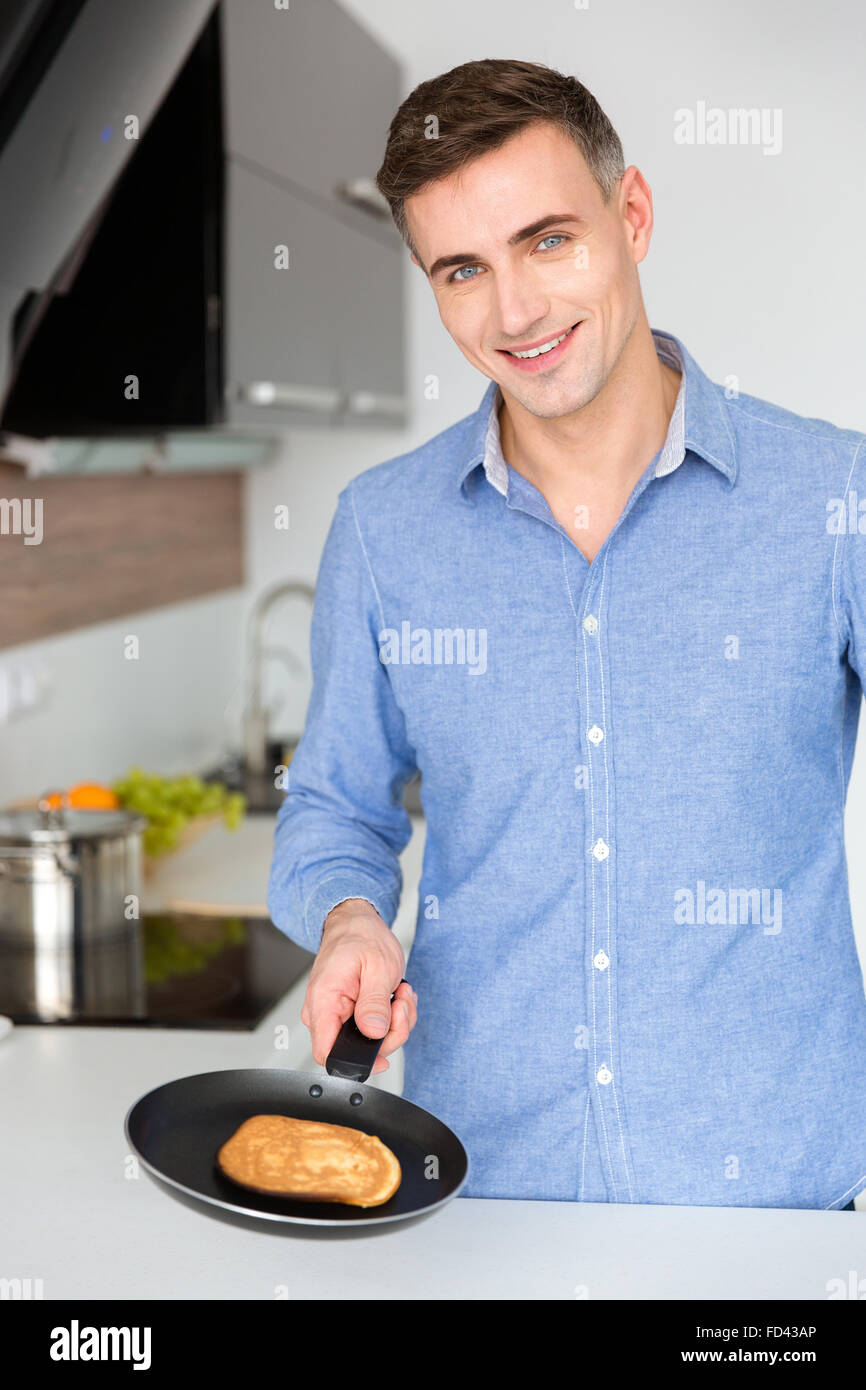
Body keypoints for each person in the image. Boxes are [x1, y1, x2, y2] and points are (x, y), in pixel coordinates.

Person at [267, 59, 866, 1210]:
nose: (515, 312)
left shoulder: (831, 500)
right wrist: (350, 918)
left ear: (629, 216)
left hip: (771, 1206)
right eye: (462, 269)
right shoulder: (385, 534)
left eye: (547, 241)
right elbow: (337, 803)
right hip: (481, 1193)